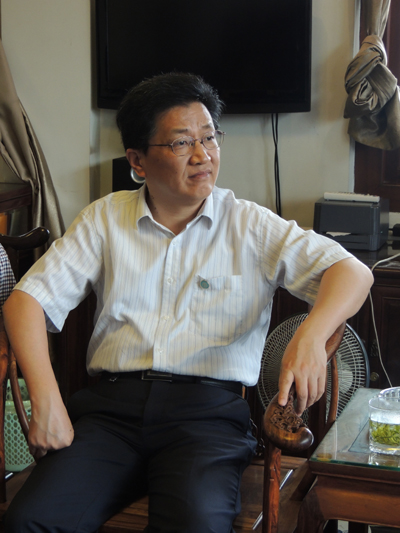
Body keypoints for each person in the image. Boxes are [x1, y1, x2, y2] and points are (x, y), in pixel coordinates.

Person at [3, 72, 373, 533]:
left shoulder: (249, 224)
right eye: (181, 143)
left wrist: (311, 335)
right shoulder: (104, 219)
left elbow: (353, 272)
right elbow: (25, 301)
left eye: (210, 137)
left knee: (196, 523)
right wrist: (46, 400)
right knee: (29, 521)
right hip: (109, 413)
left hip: (208, 418)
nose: (203, 155)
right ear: (137, 160)